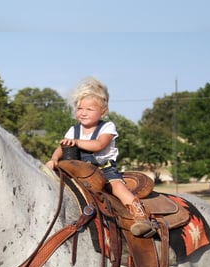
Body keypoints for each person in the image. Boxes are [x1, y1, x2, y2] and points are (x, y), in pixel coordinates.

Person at [46, 77, 154, 237]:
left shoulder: (107, 127)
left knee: (118, 188)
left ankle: (140, 215)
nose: (83, 112)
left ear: (103, 111)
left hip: (104, 170)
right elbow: (61, 147)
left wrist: (76, 142)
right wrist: (54, 158)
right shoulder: (73, 130)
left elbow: (99, 145)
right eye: (80, 108)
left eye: (89, 109)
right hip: (81, 172)